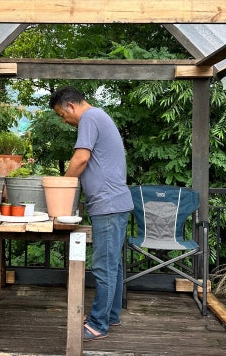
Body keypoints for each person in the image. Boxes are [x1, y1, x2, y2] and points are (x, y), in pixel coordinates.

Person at [49, 86, 133, 342]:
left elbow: (80, 159)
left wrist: (62, 187)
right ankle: (110, 315)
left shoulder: (89, 118)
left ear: (70, 106)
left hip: (108, 205)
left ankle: (98, 324)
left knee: (103, 266)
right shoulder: (99, 116)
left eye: (62, 115)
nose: (64, 121)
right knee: (112, 265)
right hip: (114, 204)